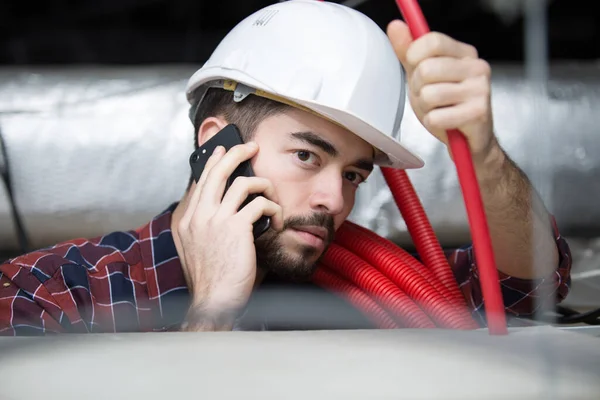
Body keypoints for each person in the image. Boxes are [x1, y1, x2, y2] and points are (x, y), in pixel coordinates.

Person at [0, 0, 571, 335]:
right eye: (307, 155)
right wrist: (214, 313)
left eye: (353, 173)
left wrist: (485, 153)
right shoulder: (54, 294)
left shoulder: (366, 290)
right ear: (215, 144)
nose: (335, 201)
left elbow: (524, 292)